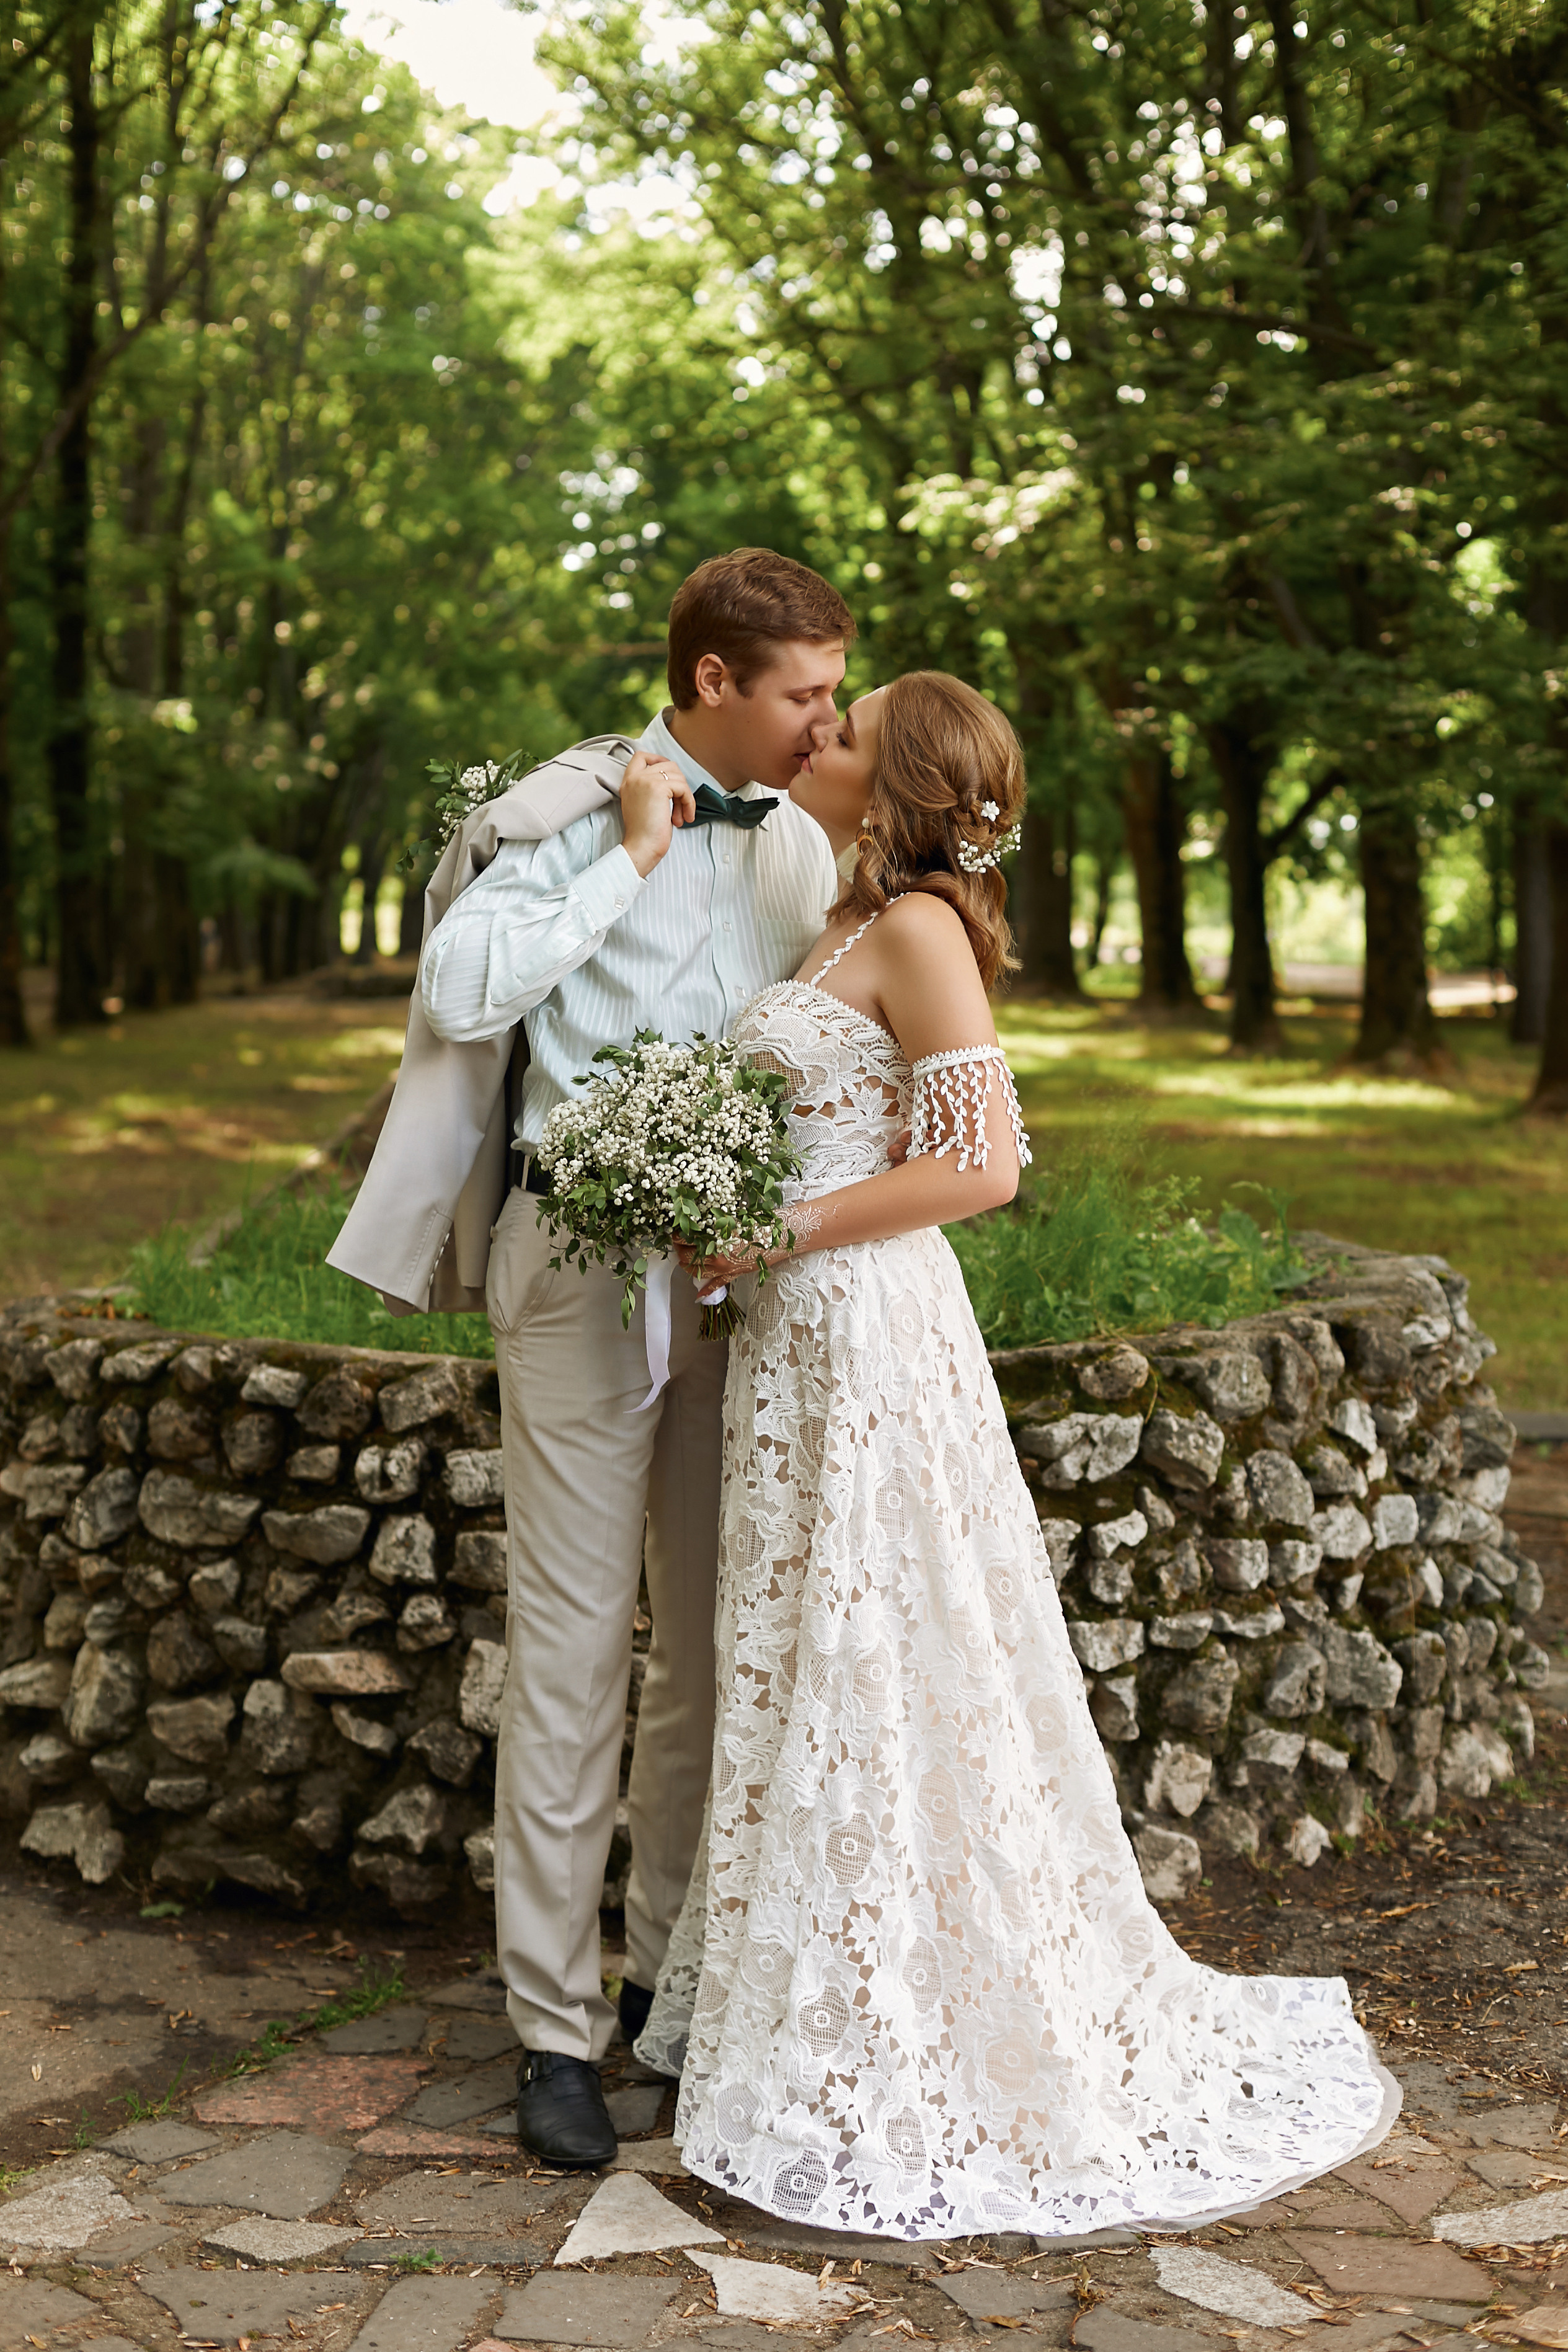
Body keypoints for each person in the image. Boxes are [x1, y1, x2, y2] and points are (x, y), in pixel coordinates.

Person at [634, 671, 1399, 2240]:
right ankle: (824, 1990)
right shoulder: (838, 919)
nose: (819, 739)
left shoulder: (914, 928)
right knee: (803, 1648)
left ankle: (909, 2017)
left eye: (846, 731)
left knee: (885, 1645)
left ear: (902, 781)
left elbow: (979, 1166)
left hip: (864, 1326)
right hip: (790, 1337)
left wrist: (772, 1226)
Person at [331, 549, 848, 2168]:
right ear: (711, 686)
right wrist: (625, 864)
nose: (826, 723)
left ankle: (669, 1992)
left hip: (734, 1278)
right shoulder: (567, 811)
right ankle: (551, 2029)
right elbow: (463, 985)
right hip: (569, 1267)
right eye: (802, 694)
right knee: (569, 1651)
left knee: (705, 1643)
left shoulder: (809, 846)